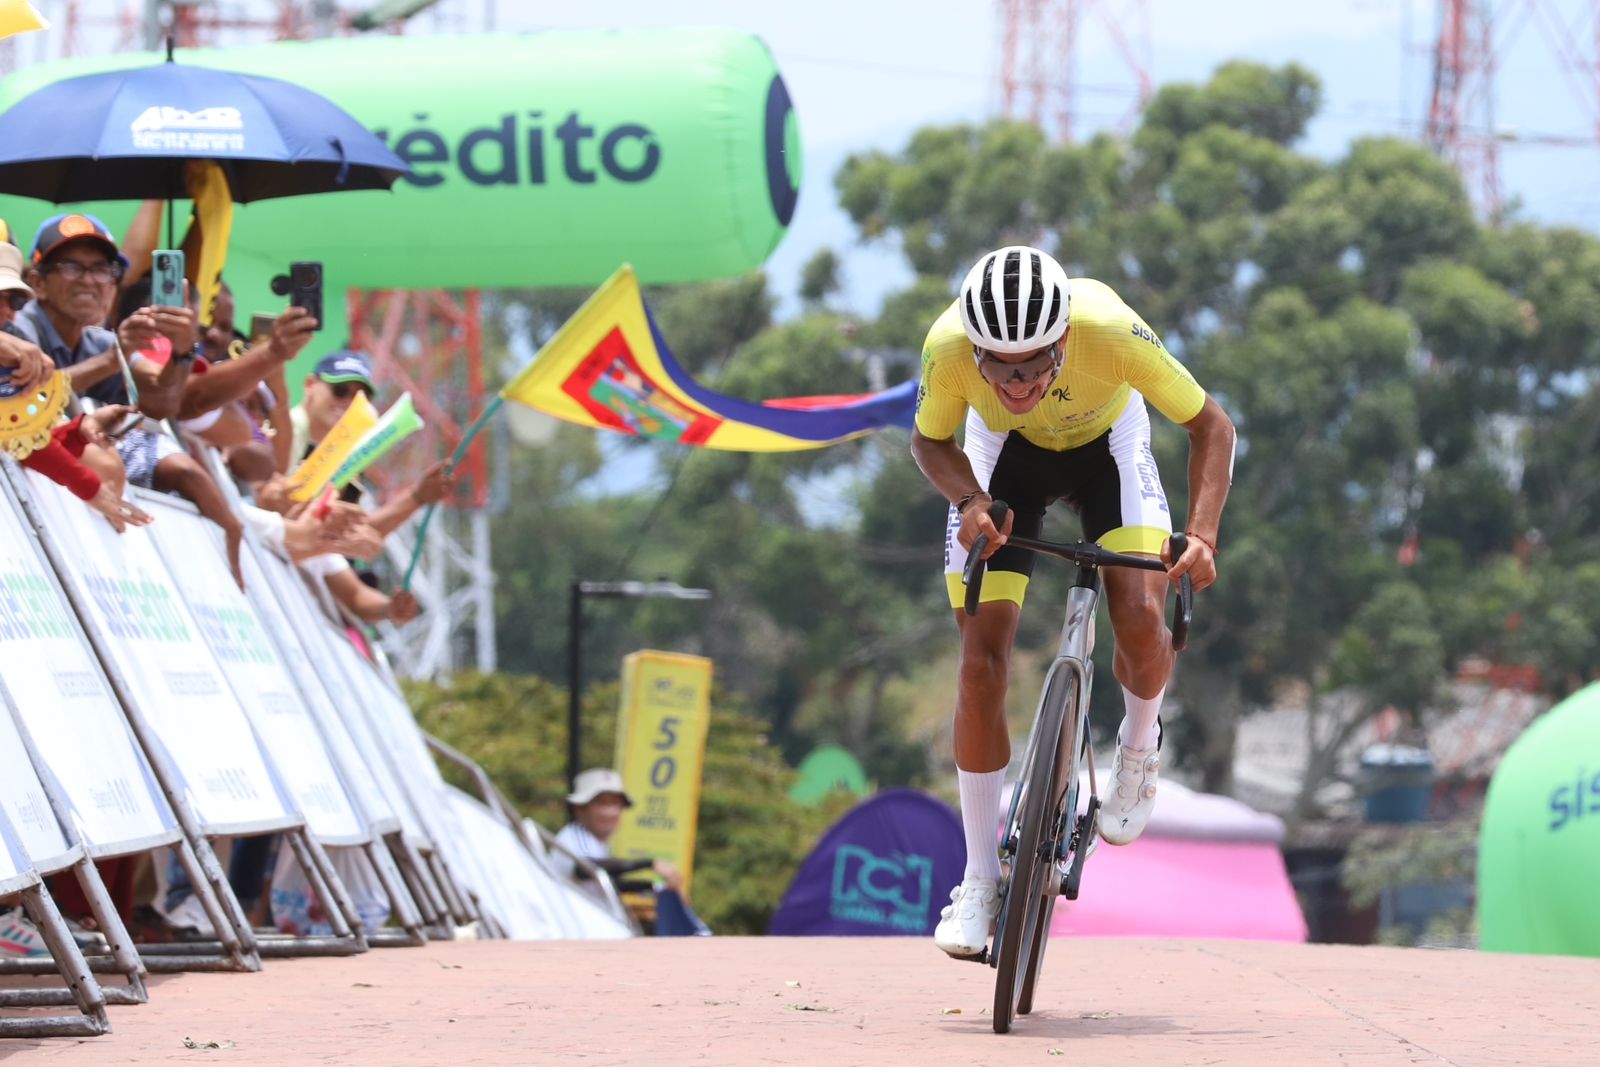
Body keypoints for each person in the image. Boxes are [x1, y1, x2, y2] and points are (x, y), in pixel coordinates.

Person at [910, 246, 1236, 958]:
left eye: (1034, 362)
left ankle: (1140, 745)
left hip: (1108, 455)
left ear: (1063, 341)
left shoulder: (1111, 331)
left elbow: (1212, 425)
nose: (1018, 379)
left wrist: (1204, 534)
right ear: (974, 351)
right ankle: (977, 880)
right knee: (979, 663)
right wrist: (967, 499)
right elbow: (930, 438)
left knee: (1144, 616)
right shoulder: (947, 349)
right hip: (1003, 465)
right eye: (1000, 365)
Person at [554, 768, 683, 895]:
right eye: (602, 803)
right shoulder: (574, 836)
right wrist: (649, 864)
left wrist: (658, 887)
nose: (610, 813)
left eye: (616, 804)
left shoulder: (597, 843)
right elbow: (584, 869)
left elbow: (610, 883)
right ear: (579, 809)